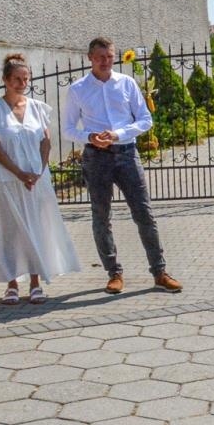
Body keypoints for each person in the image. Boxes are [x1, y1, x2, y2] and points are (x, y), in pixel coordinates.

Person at [62, 37, 181, 294]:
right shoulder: (78, 89)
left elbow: (145, 120)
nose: (106, 61)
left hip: (126, 153)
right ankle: (114, 273)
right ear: (90, 58)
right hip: (96, 157)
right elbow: (68, 129)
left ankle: (159, 272)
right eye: (100, 57)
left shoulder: (126, 84)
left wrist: (118, 134)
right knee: (101, 217)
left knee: (144, 214)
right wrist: (89, 137)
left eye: (110, 56)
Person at [0, 54, 81, 304]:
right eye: (16, 78)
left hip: (36, 179)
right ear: (5, 80)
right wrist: (17, 172)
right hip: (6, 179)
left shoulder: (37, 108)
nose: (21, 83)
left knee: (36, 227)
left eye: (25, 78)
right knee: (10, 230)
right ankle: (12, 283)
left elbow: (46, 141)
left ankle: (36, 281)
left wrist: (38, 171)